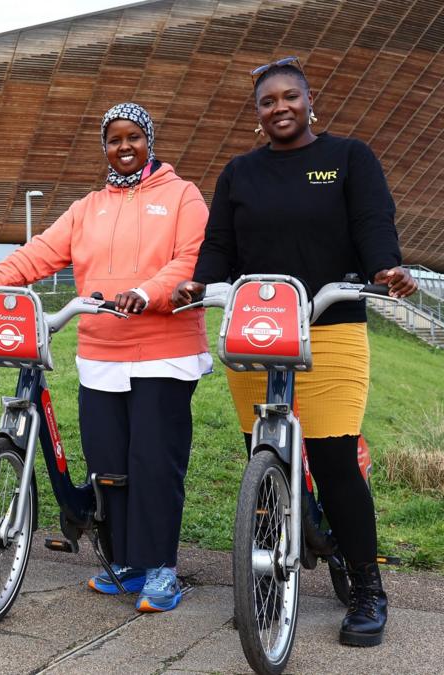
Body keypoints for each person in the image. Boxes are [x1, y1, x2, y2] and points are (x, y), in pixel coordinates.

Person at [172, 57, 418, 645]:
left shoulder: (348, 158)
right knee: (266, 456)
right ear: (257, 114)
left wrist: (385, 264)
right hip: (256, 329)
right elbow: (220, 244)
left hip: (330, 325)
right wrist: (200, 284)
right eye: (267, 101)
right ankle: (271, 575)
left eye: (290, 97)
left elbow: (372, 221)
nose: (280, 107)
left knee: (333, 464)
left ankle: (365, 588)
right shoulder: (239, 172)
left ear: (310, 101)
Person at [0, 105, 209, 611]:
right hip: (101, 352)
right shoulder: (88, 206)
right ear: (105, 147)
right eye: (114, 140)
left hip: (164, 352)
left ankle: (161, 568)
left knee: (155, 462)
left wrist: (147, 291)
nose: (124, 147)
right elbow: (38, 252)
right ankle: (127, 562)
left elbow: (189, 259)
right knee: (109, 465)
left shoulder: (182, 195)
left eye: (133, 137)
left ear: (149, 141)